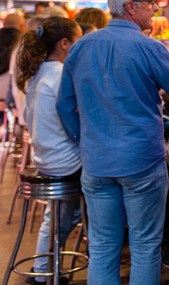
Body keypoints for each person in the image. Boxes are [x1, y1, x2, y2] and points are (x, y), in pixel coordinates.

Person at [56, 0, 169, 285]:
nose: (154, 9)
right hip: (141, 162)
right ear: (131, 7)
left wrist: (84, 140)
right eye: (150, 3)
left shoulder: (80, 48)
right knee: (144, 246)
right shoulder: (148, 47)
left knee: (103, 247)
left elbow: (64, 106)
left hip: (96, 163)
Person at [17, 17, 83, 283]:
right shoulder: (59, 75)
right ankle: (48, 270)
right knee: (107, 184)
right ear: (65, 43)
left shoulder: (39, 73)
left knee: (56, 213)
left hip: (45, 158)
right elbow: (77, 119)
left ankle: (44, 267)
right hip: (65, 162)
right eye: (78, 42)